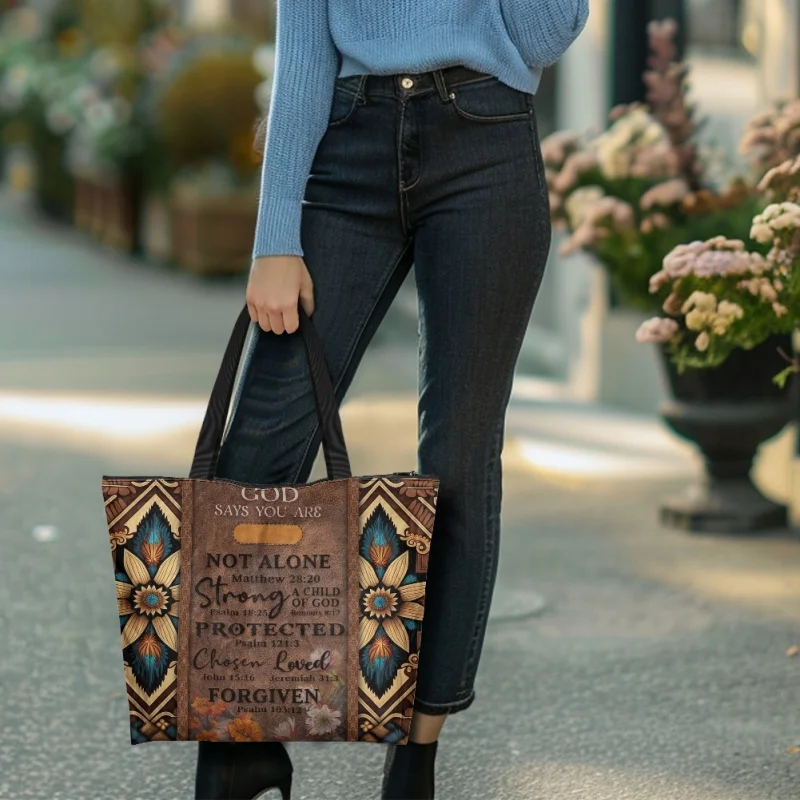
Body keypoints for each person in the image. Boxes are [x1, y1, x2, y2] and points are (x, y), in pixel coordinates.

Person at [194, 1, 589, 798]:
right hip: (350, 143)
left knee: (457, 460)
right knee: (258, 450)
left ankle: (417, 752)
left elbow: (549, 31)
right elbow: (303, 51)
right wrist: (276, 235)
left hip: (486, 144)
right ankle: (242, 745)